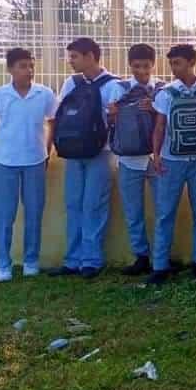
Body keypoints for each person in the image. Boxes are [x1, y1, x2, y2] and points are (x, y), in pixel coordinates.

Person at [0, 48, 57, 282]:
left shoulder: (44, 94)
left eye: (31, 65)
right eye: (22, 66)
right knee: (4, 216)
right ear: (10, 69)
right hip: (5, 163)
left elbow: (54, 122)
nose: (29, 70)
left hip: (35, 162)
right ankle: (3, 265)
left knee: (34, 213)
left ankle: (31, 261)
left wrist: (47, 153)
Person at [148, 44, 196, 284]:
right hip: (171, 160)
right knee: (165, 212)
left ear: (191, 62)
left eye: (177, 63)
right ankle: (160, 265)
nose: (173, 68)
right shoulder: (166, 93)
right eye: (171, 63)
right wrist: (156, 155)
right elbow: (159, 126)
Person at [50, 37, 120, 278]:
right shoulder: (71, 83)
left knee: (94, 205)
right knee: (74, 204)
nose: (70, 61)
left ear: (91, 56)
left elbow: (115, 120)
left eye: (74, 56)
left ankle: (91, 260)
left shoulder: (113, 85)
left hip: (101, 152)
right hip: (73, 152)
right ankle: (72, 260)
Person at [107, 43, 161, 276]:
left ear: (153, 64)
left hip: (156, 158)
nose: (142, 71)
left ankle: (161, 256)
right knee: (133, 211)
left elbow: (166, 119)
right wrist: (113, 114)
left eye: (146, 66)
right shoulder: (118, 89)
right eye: (137, 66)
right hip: (129, 159)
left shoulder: (161, 89)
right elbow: (108, 122)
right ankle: (141, 256)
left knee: (163, 209)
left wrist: (155, 108)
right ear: (130, 65)